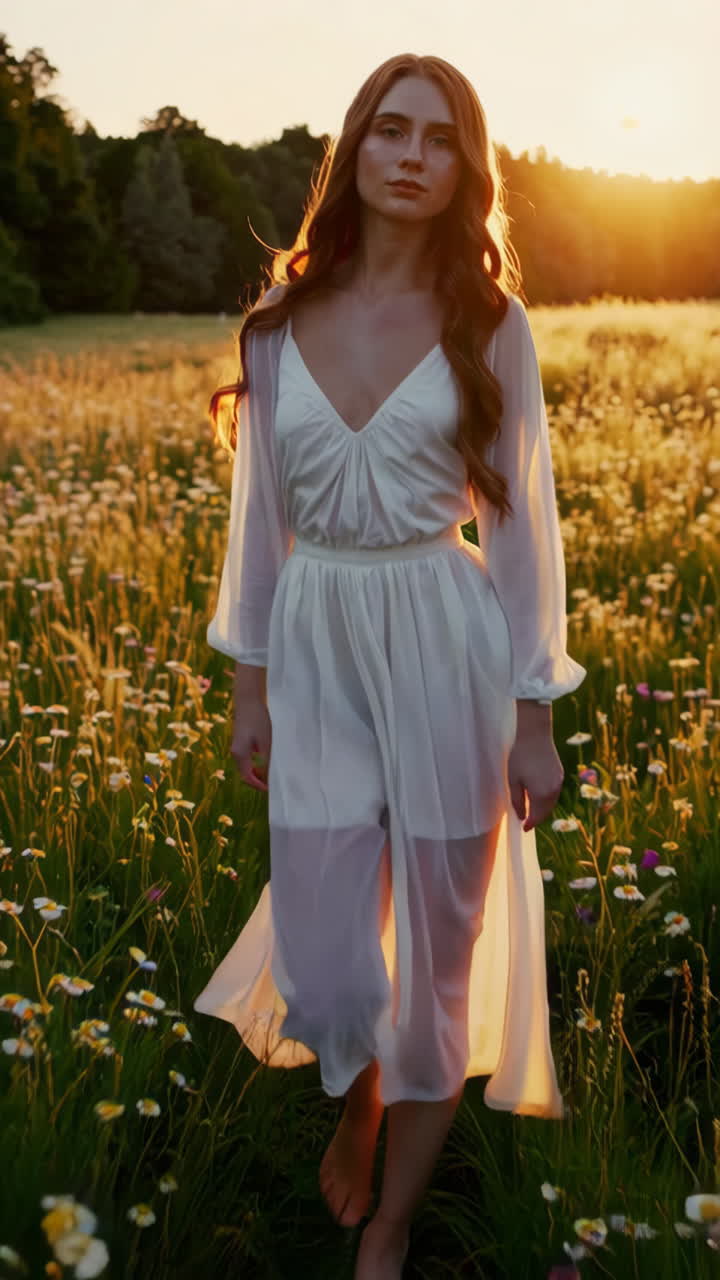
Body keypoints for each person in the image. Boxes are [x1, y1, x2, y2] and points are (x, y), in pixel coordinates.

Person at [194, 52, 586, 1280]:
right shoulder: (279, 323)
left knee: (440, 955)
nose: (413, 155)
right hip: (314, 642)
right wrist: (249, 685)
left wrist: (535, 716)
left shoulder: (491, 325)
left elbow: (522, 527)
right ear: (355, 153)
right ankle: (357, 1087)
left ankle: (397, 1221)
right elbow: (259, 524)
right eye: (390, 132)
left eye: (439, 138)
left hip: (446, 641)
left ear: (466, 167)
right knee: (322, 949)